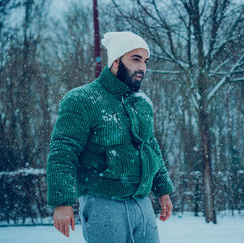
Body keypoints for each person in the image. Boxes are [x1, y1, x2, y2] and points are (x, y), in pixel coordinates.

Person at [47, 31, 174, 243]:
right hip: (103, 203)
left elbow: (150, 147)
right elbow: (63, 151)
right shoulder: (82, 99)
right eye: (135, 59)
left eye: (145, 61)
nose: (142, 67)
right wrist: (62, 201)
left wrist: (163, 190)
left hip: (142, 203)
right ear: (115, 61)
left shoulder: (142, 103)